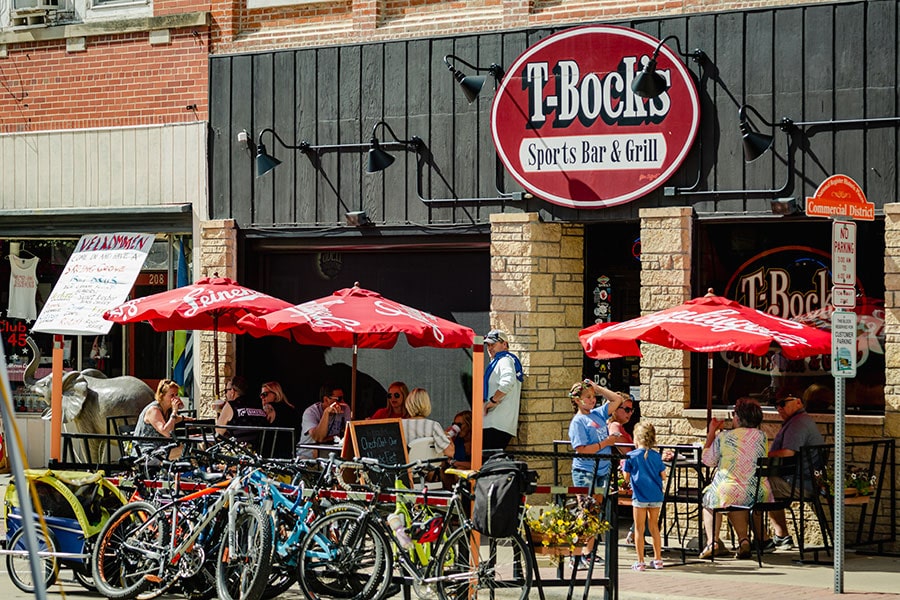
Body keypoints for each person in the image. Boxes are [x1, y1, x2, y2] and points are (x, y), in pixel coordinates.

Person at [699, 397, 773, 560]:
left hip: (729, 490)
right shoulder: (762, 437)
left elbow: (707, 461)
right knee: (735, 500)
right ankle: (744, 540)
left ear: (738, 418)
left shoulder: (724, 437)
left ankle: (712, 542)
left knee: (711, 500)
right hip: (758, 492)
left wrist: (712, 432)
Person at [757, 387, 826, 552]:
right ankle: (781, 536)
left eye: (782, 404)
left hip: (801, 483)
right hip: (799, 479)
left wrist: (761, 455)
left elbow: (787, 452)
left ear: (798, 402)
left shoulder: (798, 423)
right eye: (776, 405)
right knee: (764, 484)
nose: (779, 408)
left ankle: (762, 540)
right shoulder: (797, 421)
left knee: (753, 487)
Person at [567, 379, 624, 501]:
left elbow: (617, 399)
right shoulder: (578, 422)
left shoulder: (598, 414)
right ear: (577, 400)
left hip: (603, 469)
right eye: (588, 397)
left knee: (597, 508)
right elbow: (582, 450)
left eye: (594, 396)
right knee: (586, 508)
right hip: (585, 471)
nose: (593, 399)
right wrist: (606, 442)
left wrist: (597, 388)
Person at [622, 422, 667, 571]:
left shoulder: (631, 456)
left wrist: (623, 466)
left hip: (639, 496)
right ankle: (658, 559)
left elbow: (626, 478)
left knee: (639, 529)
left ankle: (640, 561)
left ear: (636, 438)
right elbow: (663, 475)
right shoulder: (656, 456)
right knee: (654, 527)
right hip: (655, 495)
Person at [482, 329, 523, 453]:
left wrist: (492, 400)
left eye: (493, 344)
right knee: (489, 462)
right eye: (488, 345)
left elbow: (508, 381)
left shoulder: (505, 359)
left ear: (504, 344)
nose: (489, 348)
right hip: (494, 422)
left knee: (489, 462)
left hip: (497, 422)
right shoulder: (497, 361)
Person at [133, 379, 189, 458]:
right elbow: (167, 432)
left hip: (162, 448)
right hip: (146, 452)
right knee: (183, 450)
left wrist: (185, 418)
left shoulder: (167, 409)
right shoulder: (154, 410)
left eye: (176, 395)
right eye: (172, 395)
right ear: (162, 395)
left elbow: (173, 419)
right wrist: (174, 412)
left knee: (186, 449)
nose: (175, 398)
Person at [297, 383, 351, 459]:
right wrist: (326, 414)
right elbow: (318, 437)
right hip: (308, 456)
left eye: (343, 398)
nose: (343, 401)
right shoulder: (311, 412)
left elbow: (348, 434)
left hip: (332, 455)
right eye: (339, 399)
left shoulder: (345, 408)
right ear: (326, 399)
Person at [216, 375, 268, 448]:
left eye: (226, 390)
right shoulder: (258, 404)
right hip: (260, 451)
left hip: (239, 453)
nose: (225, 394)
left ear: (232, 391)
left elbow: (218, 432)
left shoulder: (231, 405)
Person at [401, 387, 451, 454]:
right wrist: (447, 437)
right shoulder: (433, 426)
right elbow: (450, 452)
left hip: (406, 464)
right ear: (427, 404)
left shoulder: (398, 425)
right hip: (428, 464)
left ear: (408, 404)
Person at [260, 381, 298, 458]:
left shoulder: (269, 408)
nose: (262, 398)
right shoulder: (291, 409)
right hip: (289, 451)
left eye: (265, 394)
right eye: (261, 395)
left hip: (272, 453)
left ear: (276, 393)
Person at [441, 410, 472, 489]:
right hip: (456, 469)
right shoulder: (457, 441)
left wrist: (457, 463)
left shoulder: (476, 442)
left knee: (459, 471)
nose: (456, 427)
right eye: (454, 424)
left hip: (472, 472)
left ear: (469, 424)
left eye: (459, 425)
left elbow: (478, 464)